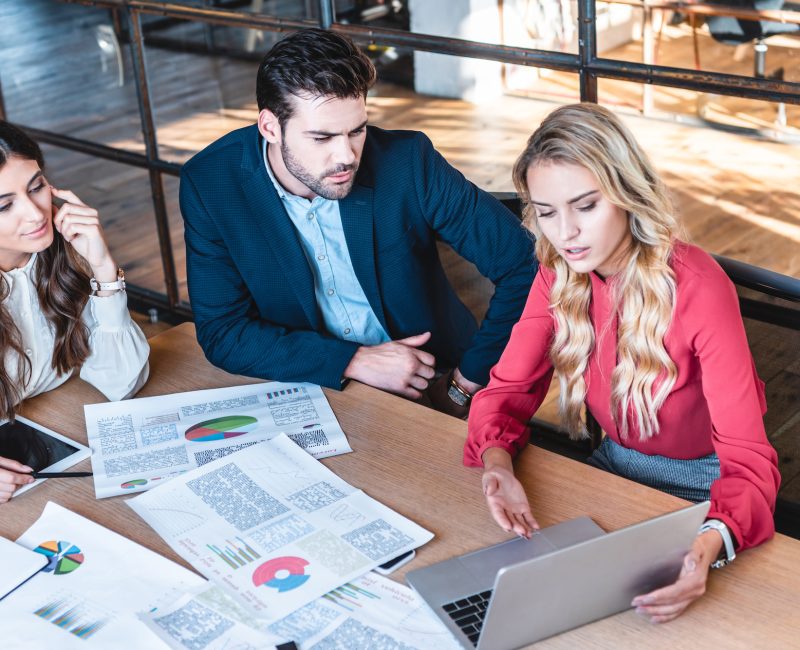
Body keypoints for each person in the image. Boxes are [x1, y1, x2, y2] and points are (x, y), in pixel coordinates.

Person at [464, 103, 780, 623]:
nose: (565, 233)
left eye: (584, 205)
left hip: (707, 484)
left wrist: (708, 547)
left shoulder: (700, 287)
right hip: (615, 465)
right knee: (532, 595)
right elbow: (506, 392)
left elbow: (748, 458)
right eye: (546, 212)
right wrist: (497, 467)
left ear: (625, 194)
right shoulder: (558, 272)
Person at [179, 29, 536, 417]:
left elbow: (524, 265)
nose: (346, 155)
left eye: (357, 130)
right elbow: (223, 333)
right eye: (322, 137)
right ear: (269, 127)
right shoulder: (211, 184)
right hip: (314, 385)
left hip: (436, 384)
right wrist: (353, 360)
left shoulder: (408, 162)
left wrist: (464, 386)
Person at [0, 121, 149, 503]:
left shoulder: (62, 260)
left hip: (51, 443)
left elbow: (120, 383)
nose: (36, 214)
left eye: (36, 187)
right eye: (4, 205)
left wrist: (102, 269)